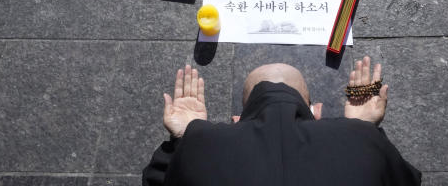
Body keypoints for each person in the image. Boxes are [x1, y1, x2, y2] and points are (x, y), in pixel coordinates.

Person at [143, 56, 421, 186]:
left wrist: (183, 138)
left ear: (238, 120)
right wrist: (363, 129)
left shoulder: (199, 144)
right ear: (316, 112)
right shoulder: (362, 141)